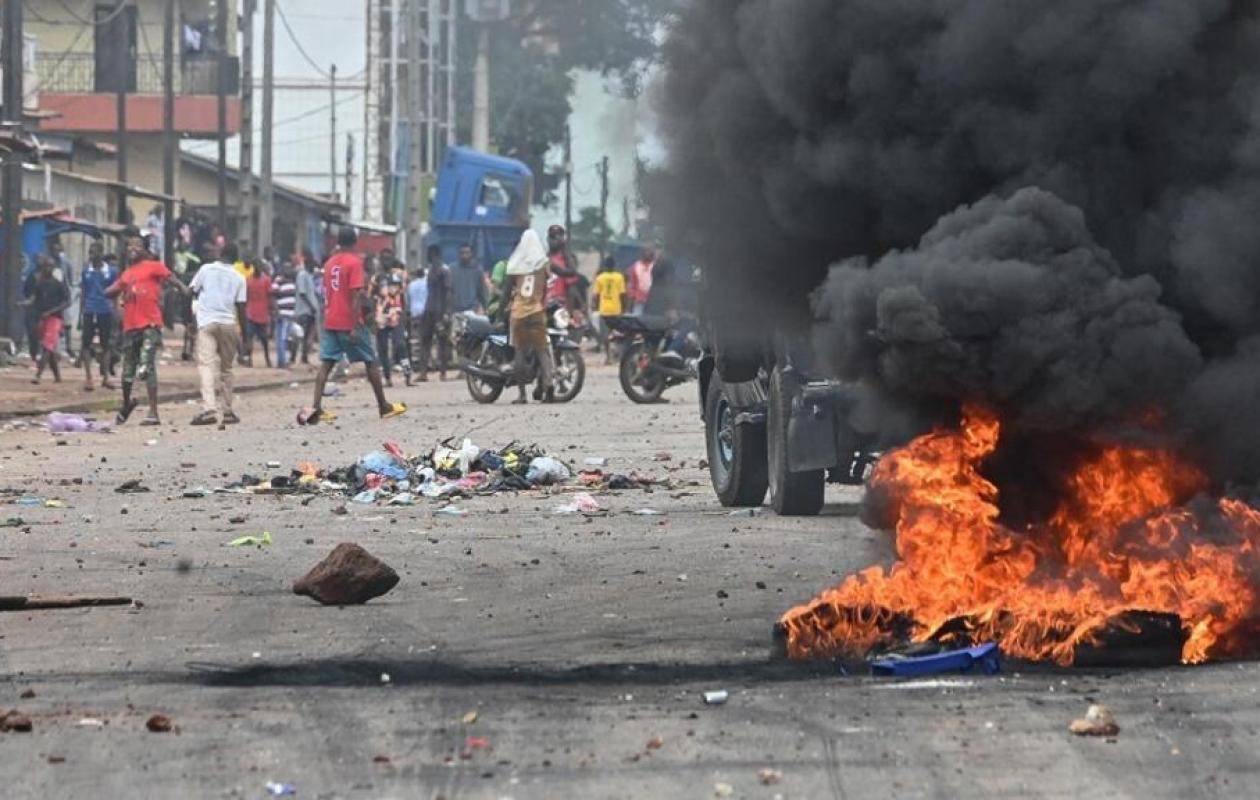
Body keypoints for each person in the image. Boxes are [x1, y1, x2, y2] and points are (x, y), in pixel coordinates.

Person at [301, 227, 407, 424]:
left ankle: (316, 407)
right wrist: (353, 324)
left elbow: (328, 292)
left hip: (331, 319)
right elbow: (356, 294)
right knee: (371, 361)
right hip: (349, 321)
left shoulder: (330, 263)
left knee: (326, 364)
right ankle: (383, 406)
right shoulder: (354, 263)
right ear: (355, 241)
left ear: (338, 241)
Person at [106, 234, 189, 426]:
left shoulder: (154, 266)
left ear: (145, 249)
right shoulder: (127, 273)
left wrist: (185, 290)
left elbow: (172, 279)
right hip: (130, 326)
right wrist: (109, 290)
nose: (132, 248)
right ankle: (126, 404)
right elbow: (113, 289)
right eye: (129, 245)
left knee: (146, 366)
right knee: (127, 372)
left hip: (150, 324)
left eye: (137, 245)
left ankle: (153, 412)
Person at [188, 243, 246, 426]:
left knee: (206, 366)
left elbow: (191, 291)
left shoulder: (206, 269)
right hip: (228, 324)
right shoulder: (239, 277)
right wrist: (244, 335)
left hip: (207, 323)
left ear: (220, 253)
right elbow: (242, 308)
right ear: (236, 259)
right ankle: (228, 411)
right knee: (227, 369)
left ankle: (209, 409)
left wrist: (190, 319)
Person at [504, 230, 554, 404]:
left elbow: (506, 290)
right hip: (537, 311)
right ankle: (549, 387)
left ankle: (522, 394)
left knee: (519, 351)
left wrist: (502, 308)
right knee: (542, 350)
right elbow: (547, 286)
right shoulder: (543, 263)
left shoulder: (515, 263)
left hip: (518, 313)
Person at [21, 256, 71, 385]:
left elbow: (67, 301)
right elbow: (33, 298)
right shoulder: (40, 283)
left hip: (55, 318)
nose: (48, 269)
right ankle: (57, 376)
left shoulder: (58, 283)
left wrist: (52, 311)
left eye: (50, 266)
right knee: (49, 348)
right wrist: (24, 303)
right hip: (43, 318)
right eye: (46, 266)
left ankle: (38, 375)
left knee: (47, 347)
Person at [79, 242, 118, 391]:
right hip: (89, 310)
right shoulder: (86, 271)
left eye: (94, 252)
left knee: (106, 344)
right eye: (90, 252)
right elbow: (83, 291)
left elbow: (115, 292)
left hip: (105, 310)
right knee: (86, 344)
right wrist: (80, 314)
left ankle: (106, 377)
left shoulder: (111, 272)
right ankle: (89, 377)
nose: (91, 255)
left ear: (101, 253)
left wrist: (115, 310)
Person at [416, 244, 453, 381]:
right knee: (426, 340)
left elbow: (448, 292)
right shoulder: (432, 270)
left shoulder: (444, 270)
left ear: (432, 255)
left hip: (439, 310)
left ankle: (442, 373)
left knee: (441, 341)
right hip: (429, 309)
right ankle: (424, 373)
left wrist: (446, 313)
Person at [375, 276, 410, 387]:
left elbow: (404, 312)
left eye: (396, 286)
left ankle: (407, 375)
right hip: (382, 324)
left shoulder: (401, 297)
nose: (394, 288)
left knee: (401, 345)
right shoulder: (380, 298)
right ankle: (387, 377)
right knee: (383, 349)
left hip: (396, 323)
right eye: (391, 286)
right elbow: (377, 312)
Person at [592, 256, 627, 364]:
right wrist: (624, 308)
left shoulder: (600, 278)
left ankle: (608, 357)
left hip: (604, 310)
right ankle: (619, 355)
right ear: (614, 265)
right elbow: (622, 295)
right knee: (618, 334)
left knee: (605, 335)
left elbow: (596, 295)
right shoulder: (619, 277)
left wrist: (596, 306)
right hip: (616, 309)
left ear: (605, 266)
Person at [173, 240, 203, 360]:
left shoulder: (185, 277)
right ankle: (190, 350)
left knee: (188, 328)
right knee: (194, 329)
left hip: (186, 305)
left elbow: (182, 292)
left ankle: (186, 349)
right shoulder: (197, 277)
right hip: (196, 304)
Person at [243, 262, 274, 368]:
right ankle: (250, 359)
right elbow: (246, 296)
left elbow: (270, 296)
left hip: (262, 314)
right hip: (251, 313)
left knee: (264, 339)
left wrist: (272, 309)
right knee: (250, 338)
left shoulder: (266, 280)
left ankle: (267, 359)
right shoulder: (249, 280)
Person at [294, 248, 321, 365]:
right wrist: (311, 306)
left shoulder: (309, 275)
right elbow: (302, 293)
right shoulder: (302, 275)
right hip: (304, 310)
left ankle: (304, 356)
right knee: (300, 334)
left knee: (306, 335)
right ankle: (294, 356)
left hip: (310, 311)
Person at [451, 243, 489, 314]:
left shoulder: (477, 270)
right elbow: (449, 291)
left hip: (472, 310)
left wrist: (486, 309)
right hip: (455, 311)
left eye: (467, 253)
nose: (464, 256)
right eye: (462, 253)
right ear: (458, 254)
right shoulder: (452, 269)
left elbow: (482, 292)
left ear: (471, 254)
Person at [272, 264, 298, 369]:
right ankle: (282, 361)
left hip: (288, 315)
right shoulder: (279, 282)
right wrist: (277, 311)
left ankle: (283, 360)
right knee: (282, 339)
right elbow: (273, 296)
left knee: (284, 338)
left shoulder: (291, 283)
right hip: (283, 315)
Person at [407, 263, 429, 371]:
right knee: (426, 339)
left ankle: (416, 362)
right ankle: (426, 362)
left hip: (414, 313)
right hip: (425, 312)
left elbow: (408, 299)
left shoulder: (411, 285)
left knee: (415, 339)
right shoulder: (427, 283)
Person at [627, 246, 657, 315]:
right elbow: (631, 286)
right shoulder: (635, 266)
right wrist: (629, 304)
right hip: (639, 300)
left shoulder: (657, 266)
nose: (648, 254)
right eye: (646, 251)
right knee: (637, 321)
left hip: (653, 301)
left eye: (650, 252)